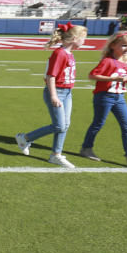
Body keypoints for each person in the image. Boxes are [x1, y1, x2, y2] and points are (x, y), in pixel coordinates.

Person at [79, 31, 127, 168]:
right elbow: (92, 76)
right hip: (104, 96)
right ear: (113, 45)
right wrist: (114, 78)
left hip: (119, 97)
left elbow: (122, 80)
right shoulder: (107, 61)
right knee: (98, 123)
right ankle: (86, 148)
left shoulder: (126, 62)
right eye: (124, 45)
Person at [15, 23, 87, 168]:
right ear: (74, 38)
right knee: (59, 125)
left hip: (67, 93)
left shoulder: (69, 53)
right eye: (83, 38)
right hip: (56, 92)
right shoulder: (59, 53)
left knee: (65, 125)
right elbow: (50, 76)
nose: (84, 41)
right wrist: (54, 96)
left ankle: (56, 155)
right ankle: (25, 138)